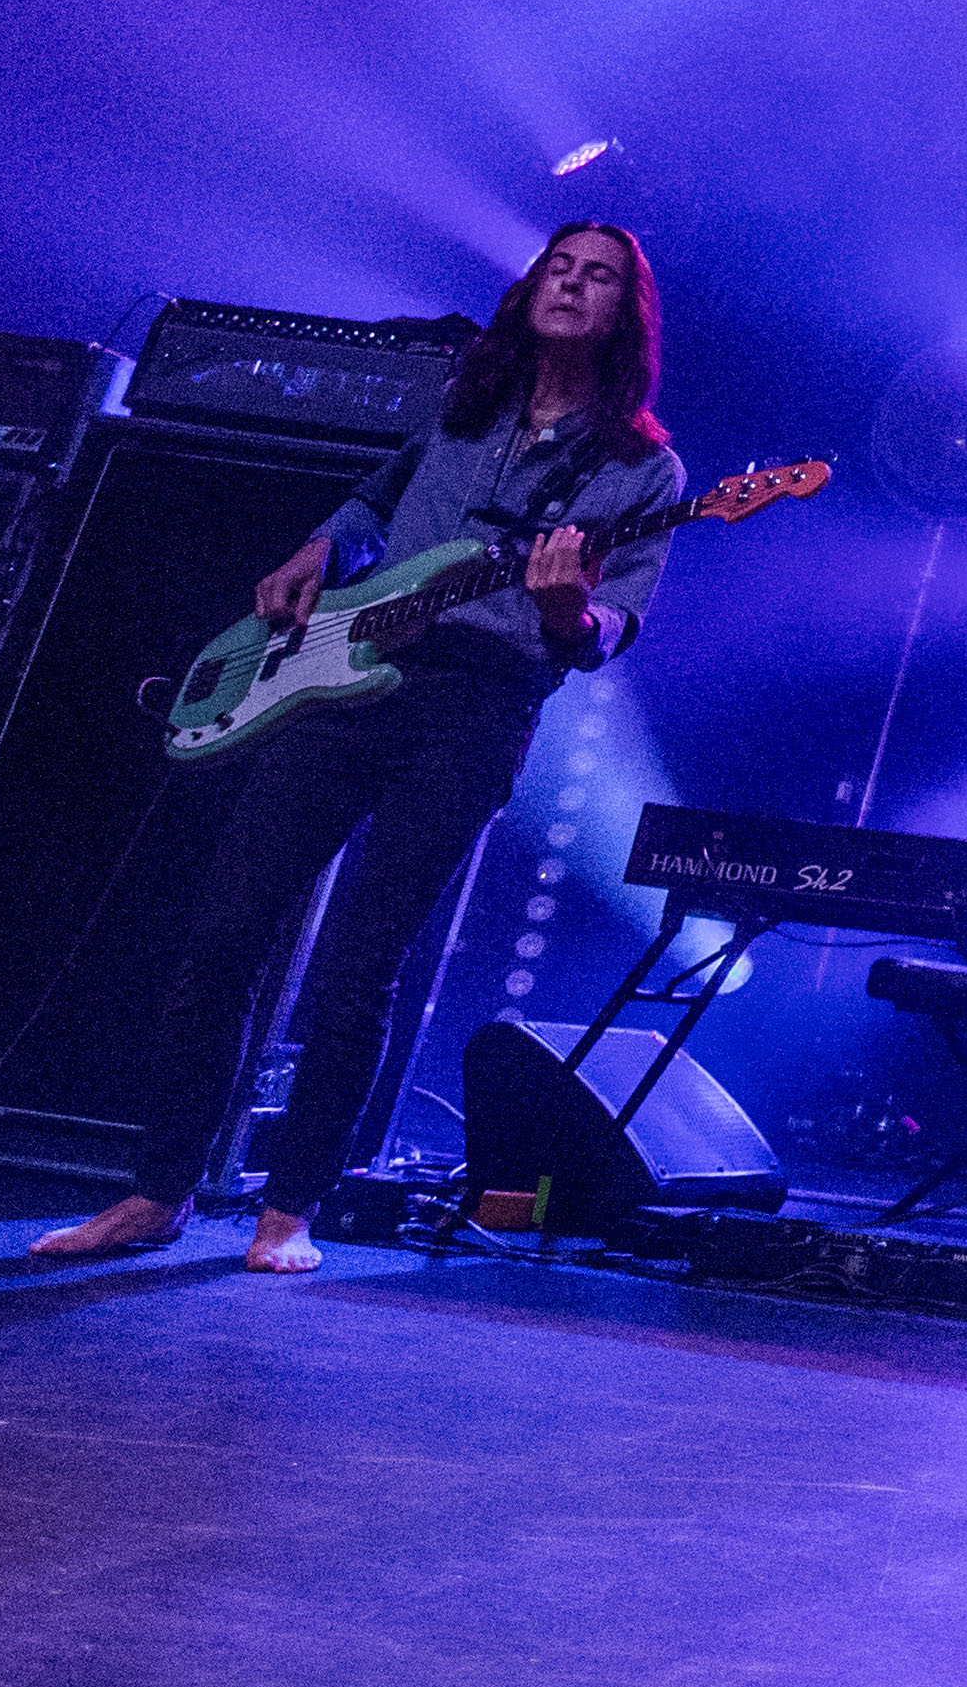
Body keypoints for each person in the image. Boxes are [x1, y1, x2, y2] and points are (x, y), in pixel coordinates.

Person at [33, 224, 683, 1276]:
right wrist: (320, 545)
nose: (570, 283)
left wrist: (568, 610)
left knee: (359, 966)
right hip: (348, 675)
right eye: (558, 266)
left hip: (477, 704)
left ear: (626, 312)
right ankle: (157, 1190)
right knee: (224, 935)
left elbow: (612, 627)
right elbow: (376, 498)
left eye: (596, 275)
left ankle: (289, 1209)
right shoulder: (466, 404)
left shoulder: (643, 468)